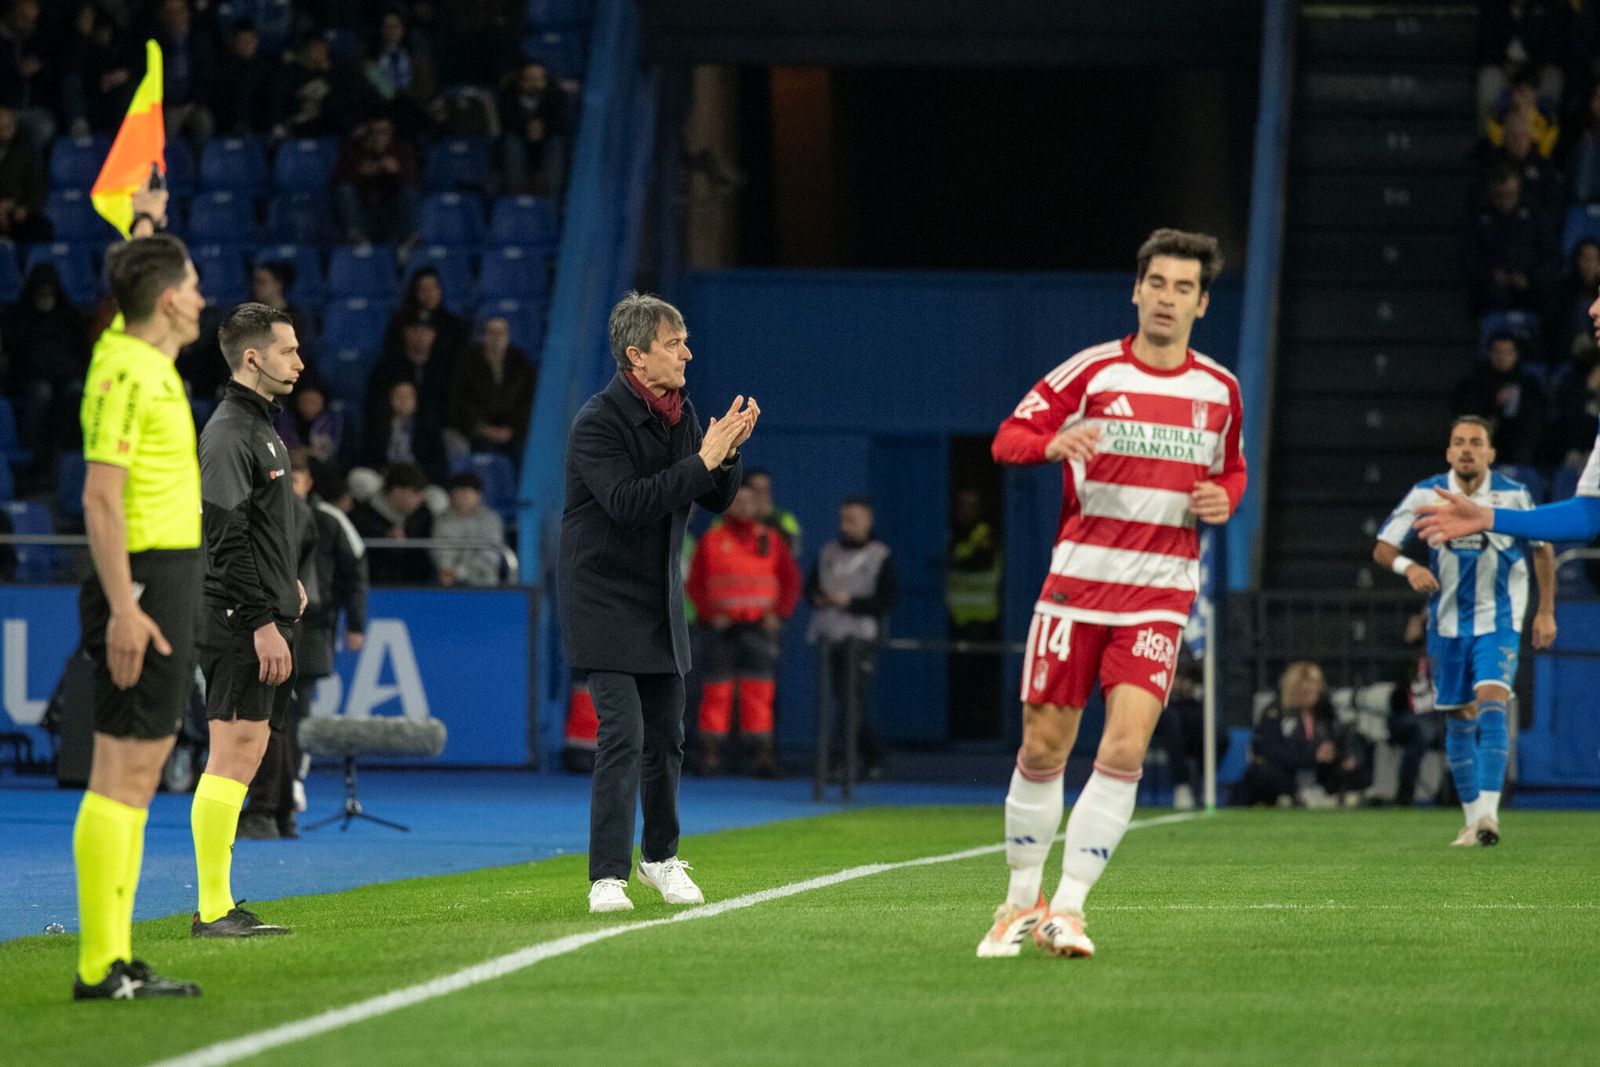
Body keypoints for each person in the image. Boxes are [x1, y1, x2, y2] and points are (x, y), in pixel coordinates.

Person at [976, 228, 1246, 960]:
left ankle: (1069, 909)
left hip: (1159, 591)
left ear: (1201, 302)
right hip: (1076, 587)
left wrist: (1225, 495)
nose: (1166, 297)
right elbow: (1007, 437)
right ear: (1136, 290)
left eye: (1182, 287)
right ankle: (1018, 899)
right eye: (1156, 282)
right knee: (1043, 745)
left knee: (1125, 747)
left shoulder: (1219, 390)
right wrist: (1049, 444)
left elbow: (1232, 471)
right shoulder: (1091, 373)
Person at [558, 291, 754, 914]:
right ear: (637, 357)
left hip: (658, 599)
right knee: (623, 734)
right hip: (603, 598)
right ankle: (607, 877)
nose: (688, 354)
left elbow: (715, 498)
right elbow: (630, 503)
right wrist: (704, 458)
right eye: (675, 345)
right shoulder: (597, 421)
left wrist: (728, 454)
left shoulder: (679, 411)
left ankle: (661, 860)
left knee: (667, 737)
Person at [70, 235, 206, 1000]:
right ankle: (101, 965)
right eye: (190, 283)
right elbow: (100, 495)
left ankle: (112, 960)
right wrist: (124, 605)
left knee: (142, 767)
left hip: (165, 573)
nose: (200, 294)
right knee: (123, 768)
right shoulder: (126, 366)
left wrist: (146, 221)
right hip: (144, 579)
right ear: (166, 301)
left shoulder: (145, 360)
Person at [1382, 417, 1557, 845]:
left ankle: (1489, 817)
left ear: (1490, 454)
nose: (1466, 449)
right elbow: (1384, 546)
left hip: (1499, 620)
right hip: (1446, 626)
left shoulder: (1513, 496)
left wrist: (1546, 610)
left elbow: (1543, 548)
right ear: (1448, 452)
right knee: (1458, 720)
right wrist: (1411, 566)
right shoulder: (1427, 492)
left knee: (1491, 703)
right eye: (1458, 442)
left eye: (1476, 443)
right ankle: (1472, 820)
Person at [191, 302, 305, 937]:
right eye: (288, 351)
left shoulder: (259, 426)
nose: (300, 361)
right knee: (232, 752)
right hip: (241, 622)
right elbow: (225, 535)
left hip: (263, 610)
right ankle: (212, 909)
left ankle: (220, 902)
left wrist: (285, 583)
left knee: (249, 748)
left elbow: (258, 528)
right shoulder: (232, 431)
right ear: (254, 358)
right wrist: (260, 618)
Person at [686, 482, 801, 777]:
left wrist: (779, 614)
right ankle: (710, 757)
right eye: (737, 501)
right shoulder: (711, 541)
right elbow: (695, 585)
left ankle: (761, 757)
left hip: (761, 628)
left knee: (759, 694)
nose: (743, 507)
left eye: (749, 502)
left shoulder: (772, 540)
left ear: (757, 506)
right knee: (716, 692)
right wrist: (710, 615)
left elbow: (790, 581)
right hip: (720, 630)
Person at [239, 449, 317, 841]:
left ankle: (263, 810)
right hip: (282, 616)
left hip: (268, 619)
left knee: (261, 717)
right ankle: (281, 811)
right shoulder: (295, 509)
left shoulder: (276, 510)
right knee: (275, 718)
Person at [805, 495, 898, 778]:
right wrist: (817, 598)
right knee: (848, 700)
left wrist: (851, 602)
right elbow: (809, 588)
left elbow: (887, 601)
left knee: (850, 700)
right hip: (829, 637)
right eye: (844, 519)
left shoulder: (881, 556)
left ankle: (836, 760)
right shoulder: (828, 552)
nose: (848, 525)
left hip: (861, 641)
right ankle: (873, 757)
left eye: (854, 519)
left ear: (868, 521)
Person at [1231, 662, 1371, 807]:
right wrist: (1311, 756)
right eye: (1305, 692)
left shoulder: (1326, 712)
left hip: (1320, 772)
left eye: (1315, 691)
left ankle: (1334, 797)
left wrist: (1342, 755)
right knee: (1261, 772)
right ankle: (1293, 797)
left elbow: (1343, 739)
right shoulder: (1275, 712)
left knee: (1357, 767)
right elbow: (1268, 750)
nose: (1312, 697)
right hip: (1288, 772)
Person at [946, 487, 1002, 738]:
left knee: (979, 684)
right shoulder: (950, 534)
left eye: (971, 505)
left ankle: (979, 734)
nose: (965, 510)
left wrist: (950, 562)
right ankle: (958, 729)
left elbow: (981, 561)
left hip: (982, 622)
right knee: (957, 683)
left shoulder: (984, 534)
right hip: (955, 621)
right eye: (961, 504)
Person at [447, 316, 537, 461]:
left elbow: (527, 402)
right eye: (492, 332)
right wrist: (483, 429)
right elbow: (460, 401)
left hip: (513, 431)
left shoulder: (521, 363)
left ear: (508, 336)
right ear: (484, 335)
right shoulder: (467, 363)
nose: (496, 338)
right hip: (478, 431)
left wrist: (511, 429)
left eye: (501, 333)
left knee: (527, 452)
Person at [1450, 332, 1545, 463]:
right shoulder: (1474, 381)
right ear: (1490, 353)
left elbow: (1537, 416)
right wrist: (1493, 403)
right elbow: (1463, 412)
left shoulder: (1528, 383)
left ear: (1516, 354)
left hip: (1519, 447)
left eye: (1508, 352)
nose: (1502, 357)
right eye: (1498, 352)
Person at [331, 114, 421, 246]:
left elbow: (417, 183)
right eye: (375, 132)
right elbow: (336, 182)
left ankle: (409, 243)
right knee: (344, 190)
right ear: (367, 134)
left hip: (390, 215)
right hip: (363, 214)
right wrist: (359, 173)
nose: (380, 137)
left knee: (410, 191)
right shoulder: (354, 151)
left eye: (385, 132)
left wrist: (397, 171)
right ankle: (356, 239)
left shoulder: (400, 150)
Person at [350, 460, 436, 584]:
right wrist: (384, 538)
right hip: (374, 586)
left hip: (416, 587)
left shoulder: (423, 516)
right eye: (415, 493)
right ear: (397, 491)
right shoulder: (364, 516)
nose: (420, 499)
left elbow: (424, 559)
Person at [432, 470, 504, 587]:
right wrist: (446, 569)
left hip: (485, 586)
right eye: (460, 492)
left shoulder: (491, 520)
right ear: (451, 495)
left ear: (479, 496)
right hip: (448, 584)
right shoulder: (442, 519)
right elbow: (441, 550)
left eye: (469, 492)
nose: (465, 497)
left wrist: (459, 572)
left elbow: (490, 556)